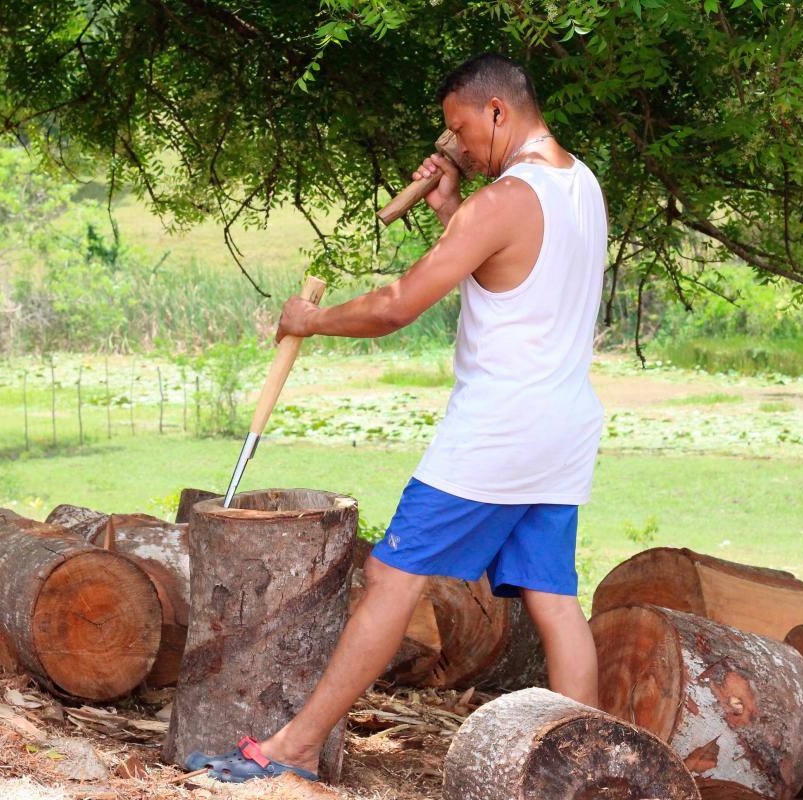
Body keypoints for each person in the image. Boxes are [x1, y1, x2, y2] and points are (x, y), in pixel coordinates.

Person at [186, 52, 608, 783]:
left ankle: (292, 749)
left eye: (461, 129)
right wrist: (451, 211)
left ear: (497, 112)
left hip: (497, 432)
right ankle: (590, 768)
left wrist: (312, 321)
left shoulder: (503, 201)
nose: (460, 147)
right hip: (565, 426)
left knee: (389, 577)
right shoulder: (581, 186)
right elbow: (510, 271)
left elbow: (397, 304)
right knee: (554, 597)